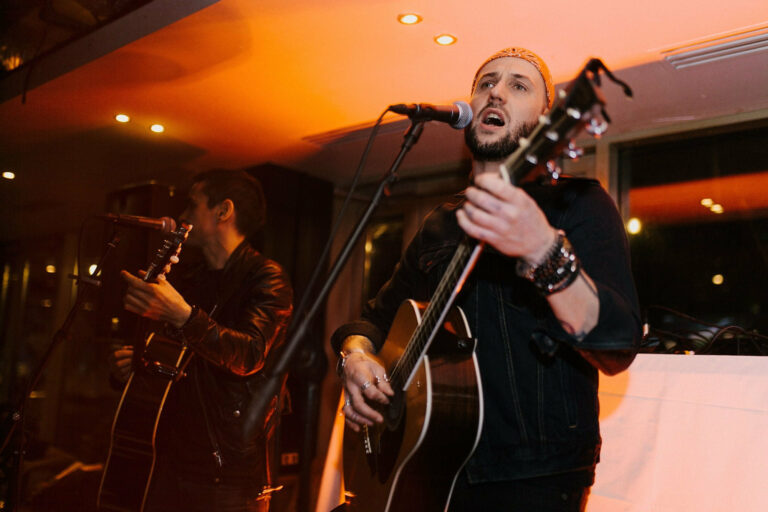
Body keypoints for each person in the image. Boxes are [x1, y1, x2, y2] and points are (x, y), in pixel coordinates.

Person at [330, 48, 641, 511]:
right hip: (428, 465)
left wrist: (543, 250)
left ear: (544, 120)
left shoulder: (578, 204)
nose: (496, 92)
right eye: (487, 83)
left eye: (519, 85)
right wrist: (354, 357)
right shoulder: (440, 224)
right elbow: (372, 320)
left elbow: (617, 343)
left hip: (533, 476)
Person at [108, 169, 293, 511]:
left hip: (227, 472)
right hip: (169, 458)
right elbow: (175, 361)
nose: (182, 215)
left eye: (193, 205)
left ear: (223, 211)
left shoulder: (267, 278)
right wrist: (135, 364)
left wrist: (183, 316)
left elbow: (250, 354)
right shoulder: (189, 278)